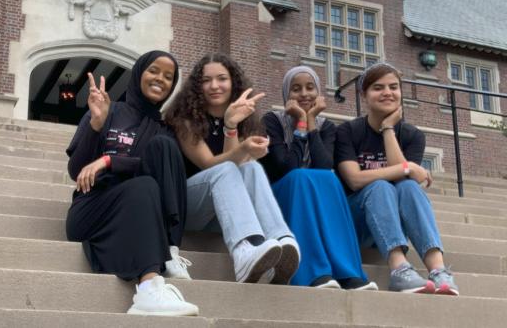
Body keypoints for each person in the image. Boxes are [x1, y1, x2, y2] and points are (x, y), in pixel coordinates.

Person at [65, 50, 199, 316]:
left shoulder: (164, 129)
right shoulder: (108, 110)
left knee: (151, 175)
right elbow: (76, 171)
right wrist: (96, 125)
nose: (160, 79)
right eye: (153, 70)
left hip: (138, 209)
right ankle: (149, 288)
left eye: (169, 76)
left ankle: (162, 263)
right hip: (92, 207)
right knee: (144, 186)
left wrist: (110, 162)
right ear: (139, 73)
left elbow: (159, 171)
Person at [165, 53, 300, 284]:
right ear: (197, 86)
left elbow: (236, 165)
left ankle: (281, 238)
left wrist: (233, 125)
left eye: (222, 79)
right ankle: (243, 251)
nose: (214, 86)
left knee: (253, 169)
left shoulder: (246, 119)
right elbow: (210, 164)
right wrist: (232, 130)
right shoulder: (184, 119)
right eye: (206, 80)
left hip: (227, 211)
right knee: (228, 169)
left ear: (233, 82)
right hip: (190, 209)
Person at [334, 62, 459, 295]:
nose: (388, 93)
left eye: (394, 87)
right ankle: (399, 269)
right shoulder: (348, 131)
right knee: (380, 186)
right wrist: (407, 167)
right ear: (364, 94)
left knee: (409, 187)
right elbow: (354, 180)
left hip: (392, 223)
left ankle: (438, 270)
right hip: (355, 222)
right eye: (378, 87)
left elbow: (402, 177)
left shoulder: (412, 136)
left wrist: (388, 129)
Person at [260, 66, 377, 290]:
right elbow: (286, 167)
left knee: (330, 179)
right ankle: (312, 272)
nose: (304, 94)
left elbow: (324, 165)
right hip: (280, 195)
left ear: (318, 92)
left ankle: (348, 273)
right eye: (296, 89)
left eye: (310, 87)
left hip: (311, 196)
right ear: (287, 94)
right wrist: (300, 125)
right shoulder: (272, 121)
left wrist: (311, 120)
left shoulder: (327, 127)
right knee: (301, 177)